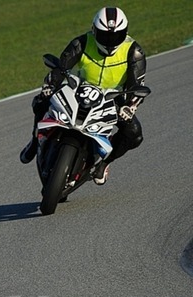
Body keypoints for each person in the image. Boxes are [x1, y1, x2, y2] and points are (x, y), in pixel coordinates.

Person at [19, 6, 147, 185]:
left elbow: (137, 86)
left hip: (112, 98)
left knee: (134, 134)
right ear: (94, 30)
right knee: (41, 101)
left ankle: (104, 163)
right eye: (105, 36)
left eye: (116, 36)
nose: (110, 41)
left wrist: (129, 107)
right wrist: (50, 85)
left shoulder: (134, 52)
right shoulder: (82, 42)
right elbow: (61, 67)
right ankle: (34, 141)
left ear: (125, 32)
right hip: (77, 88)